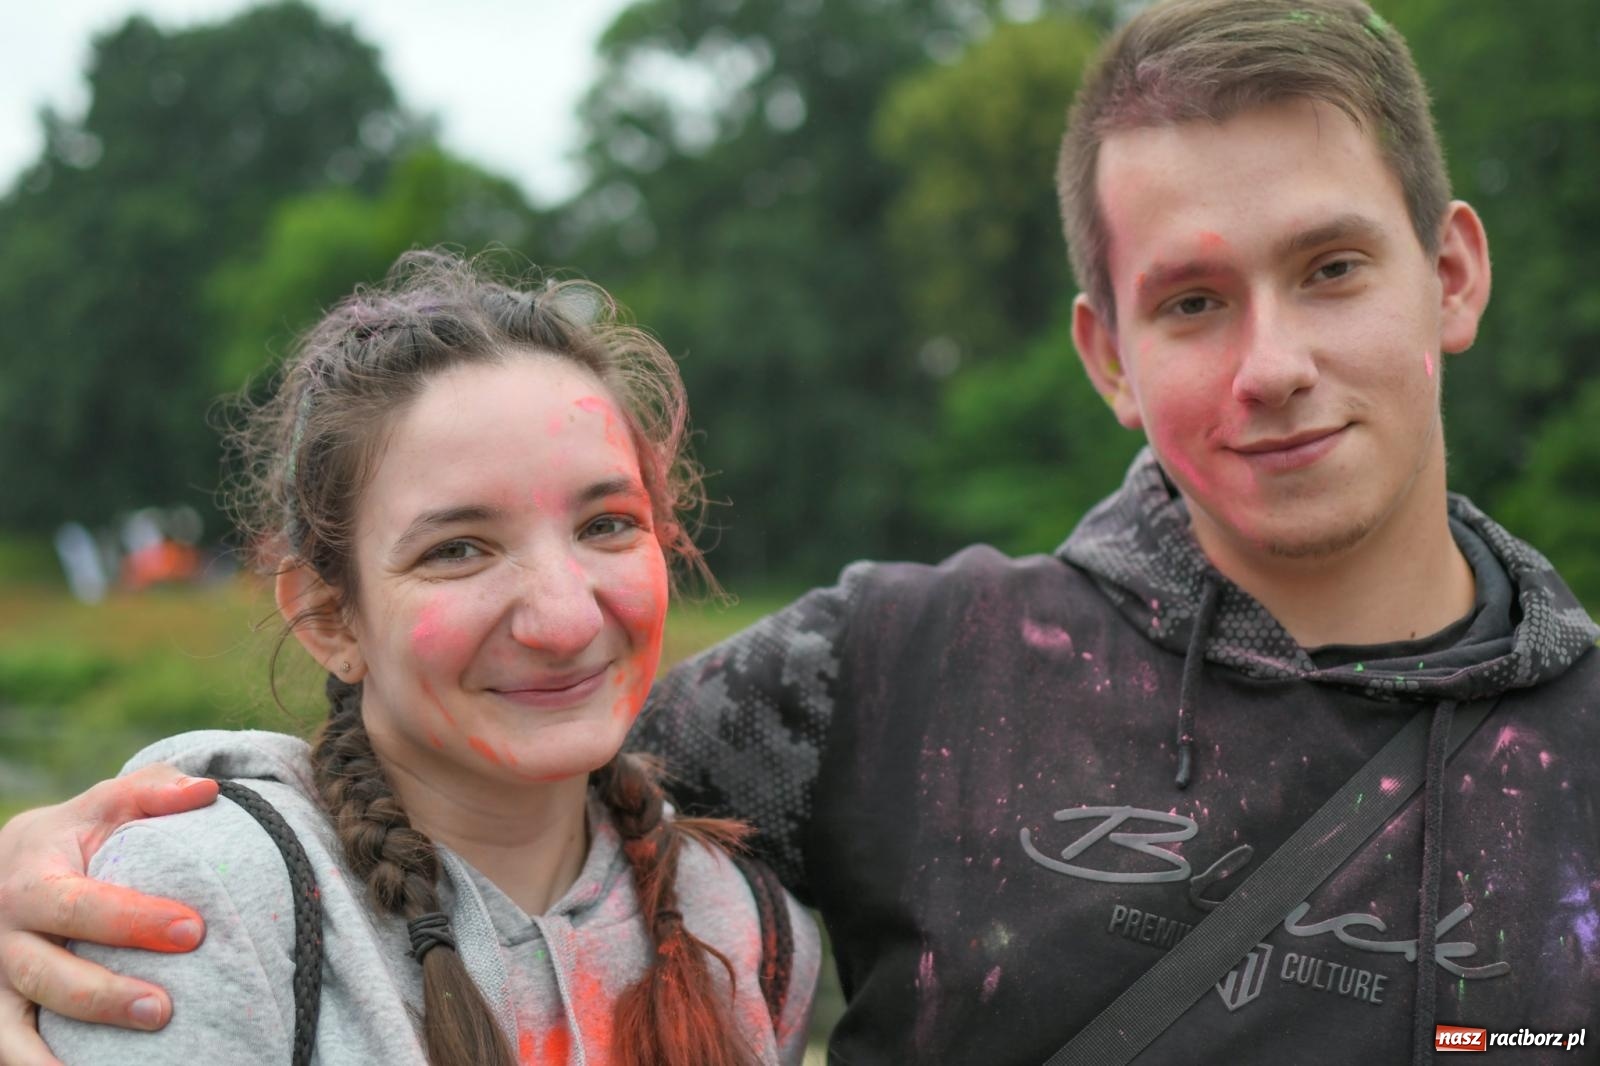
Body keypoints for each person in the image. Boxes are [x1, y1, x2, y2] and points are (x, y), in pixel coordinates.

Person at [3, 0, 1597, 1063]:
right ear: (1107, 354)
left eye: (1332, 268)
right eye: (1190, 301)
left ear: (1453, 274)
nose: (1273, 364)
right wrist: (91, 845)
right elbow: (480, 767)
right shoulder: (898, 673)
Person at [11, 250, 819, 1066]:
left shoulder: (745, 929)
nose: (566, 621)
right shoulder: (203, 903)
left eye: (606, 525)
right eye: (459, 549)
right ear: (330, 618)